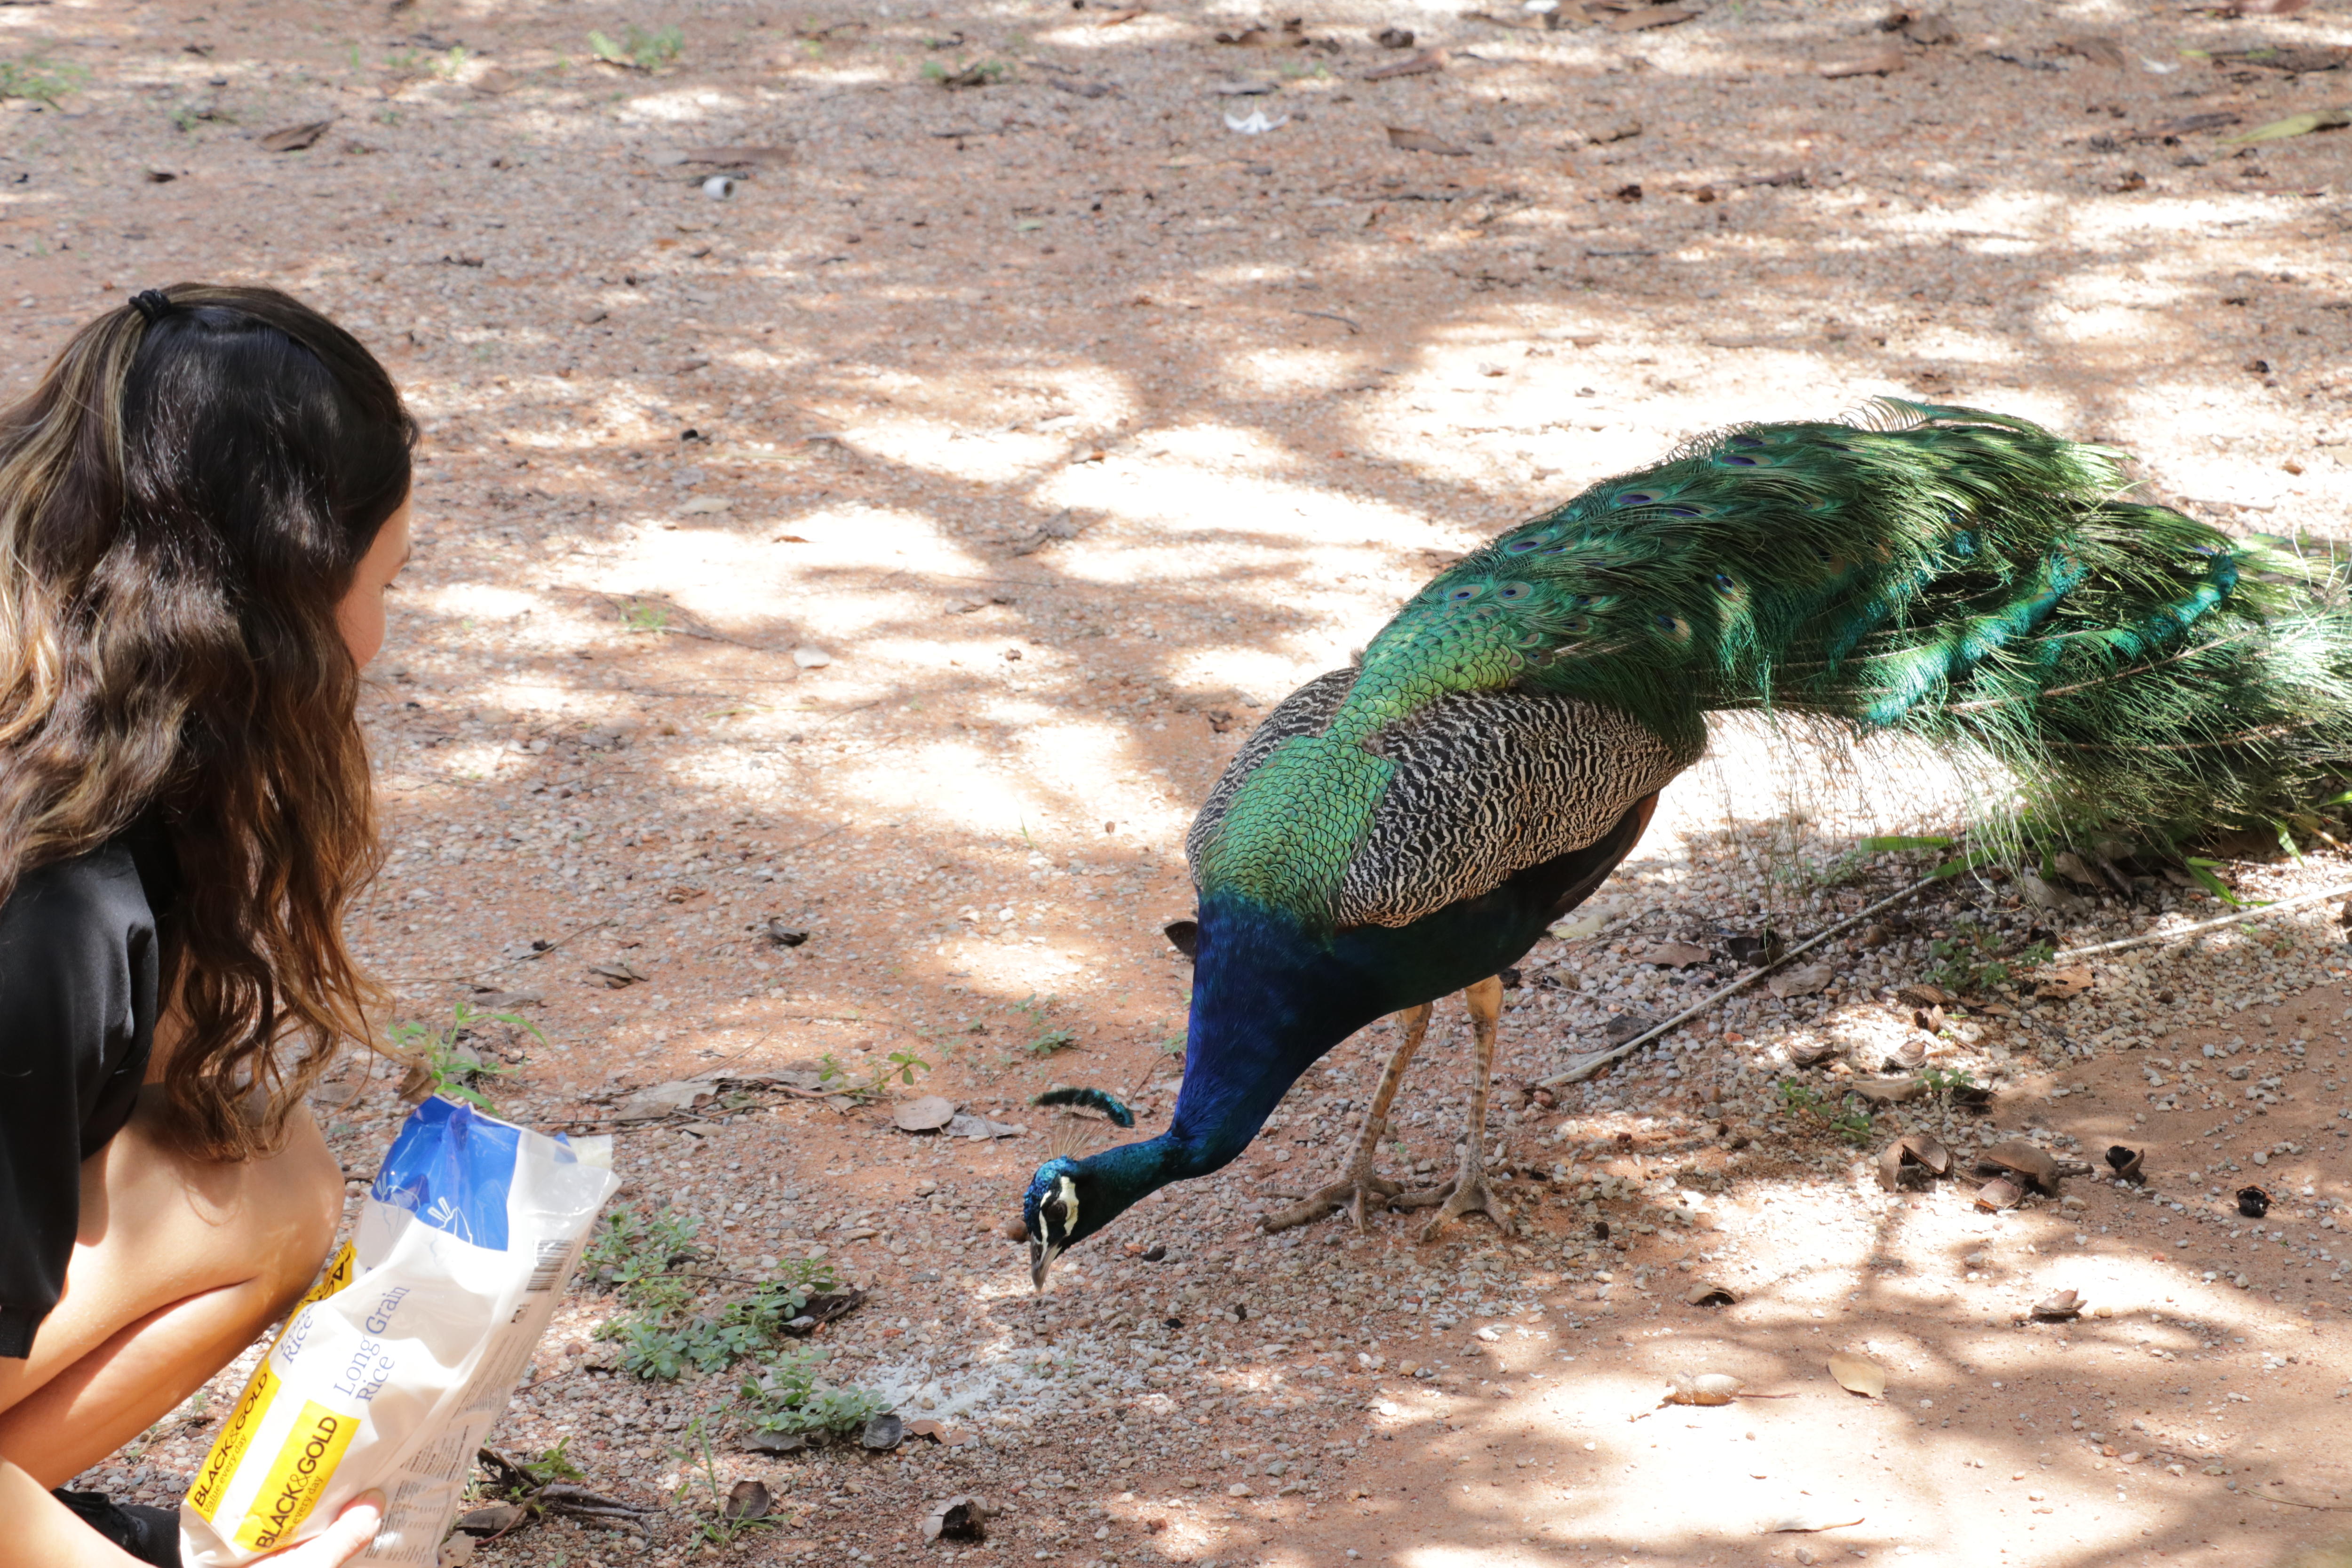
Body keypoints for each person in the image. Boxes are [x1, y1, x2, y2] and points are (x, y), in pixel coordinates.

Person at [0, 286, 417, 1566]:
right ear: (278, 606)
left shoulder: (58, 738)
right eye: (383, 582)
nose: (379, 637)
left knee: (259, 1181)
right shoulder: (51, 910)